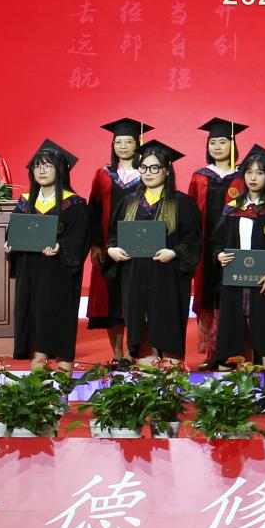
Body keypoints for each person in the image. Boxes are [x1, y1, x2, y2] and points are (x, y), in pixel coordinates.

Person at [105, 140, 201, 362]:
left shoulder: (182, 203)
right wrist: (112, 250)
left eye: (155, 167)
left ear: (167, 170)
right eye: (144, 167)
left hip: (167, 275)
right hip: (135, 273)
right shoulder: (129, 202)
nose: (148, 173)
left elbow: (193, 240)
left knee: (167, 318)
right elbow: (113, 235)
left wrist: (174, 252)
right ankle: (145, 367)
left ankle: (170, 368)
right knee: (138, 321)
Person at [212, 145, 265, 382]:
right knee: (237, 328)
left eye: (259, 173)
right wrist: (219, 255)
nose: (253, 177)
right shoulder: (233, 208)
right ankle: (243, 384)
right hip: (236, 280)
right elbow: (217, 241)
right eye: (248, 172)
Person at [7, 140, 89, 363]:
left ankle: (62, 370)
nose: (41, 170)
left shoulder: (75, 204)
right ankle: (38, 363)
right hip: (29, 269)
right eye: (37, 166)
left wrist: (62, 246)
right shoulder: (25, 202)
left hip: (58, 272)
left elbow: (81, 237)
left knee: (55, 315)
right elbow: (13, 232)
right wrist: (10, 246)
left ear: (60, 169)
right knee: (31, 315)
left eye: (47, 165)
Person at [187, 117, 248, 368]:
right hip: (205, 246)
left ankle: (236, 352)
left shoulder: (243, 176)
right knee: (208, 295)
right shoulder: (199, 176)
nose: (217, 147)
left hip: (235, 245)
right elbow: (191, 214)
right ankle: (212, 353)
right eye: (213, 143)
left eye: (222, 142)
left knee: (233, 295)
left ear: (232, 144)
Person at [86, 117, 148, 346]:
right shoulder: (103, 174)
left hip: (140, 245)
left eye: (128, 141)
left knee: (136, 297)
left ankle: (135, 350)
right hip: (108, 246)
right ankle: (117, 354)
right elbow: (93, 212)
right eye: (118, 142)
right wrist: (95, 245)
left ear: (137, 144)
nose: (123, 146)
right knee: (111, 299)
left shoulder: (147, 174)